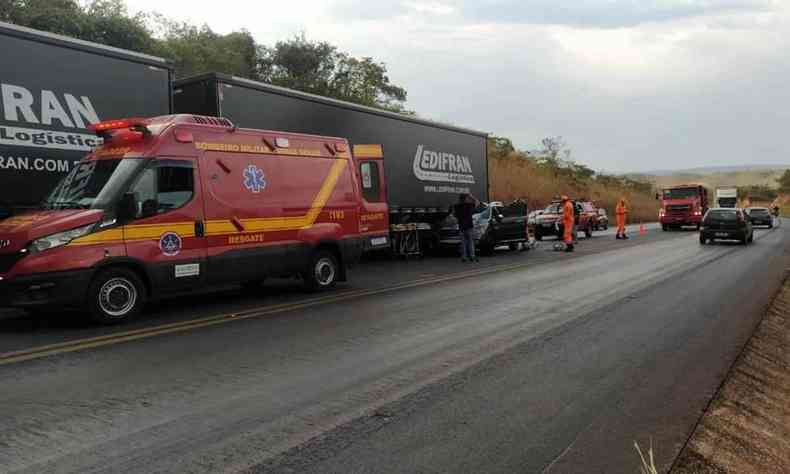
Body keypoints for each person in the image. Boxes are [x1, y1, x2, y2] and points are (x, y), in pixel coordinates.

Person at [454, 193, 479, 262]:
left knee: (463, 243)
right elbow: (477, 202)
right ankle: (472, 256)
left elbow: (455, 215)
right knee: (471, 242)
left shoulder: (456, 206)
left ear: (459, 199)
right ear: (465, 199)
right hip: (469, 226)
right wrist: (471, 196)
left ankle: (464, 257)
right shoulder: (469, 205)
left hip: (461, 226)